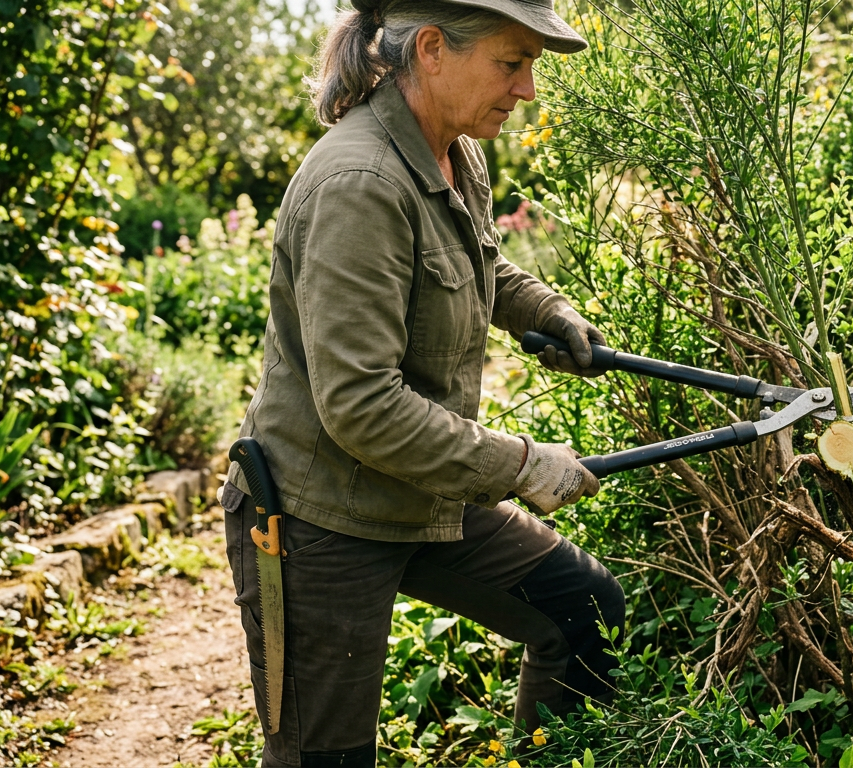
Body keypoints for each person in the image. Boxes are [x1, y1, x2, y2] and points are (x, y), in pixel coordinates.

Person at [216, 1, 622, 764]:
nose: (527, 88)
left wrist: (545, 309)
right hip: (320, 519)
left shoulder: (453, 150)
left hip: (419, 487)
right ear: (432, 49)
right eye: (512, 62)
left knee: (582, 610)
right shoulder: (359, 183)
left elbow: (475, 260)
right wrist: (524, 464)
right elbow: (362, 406)